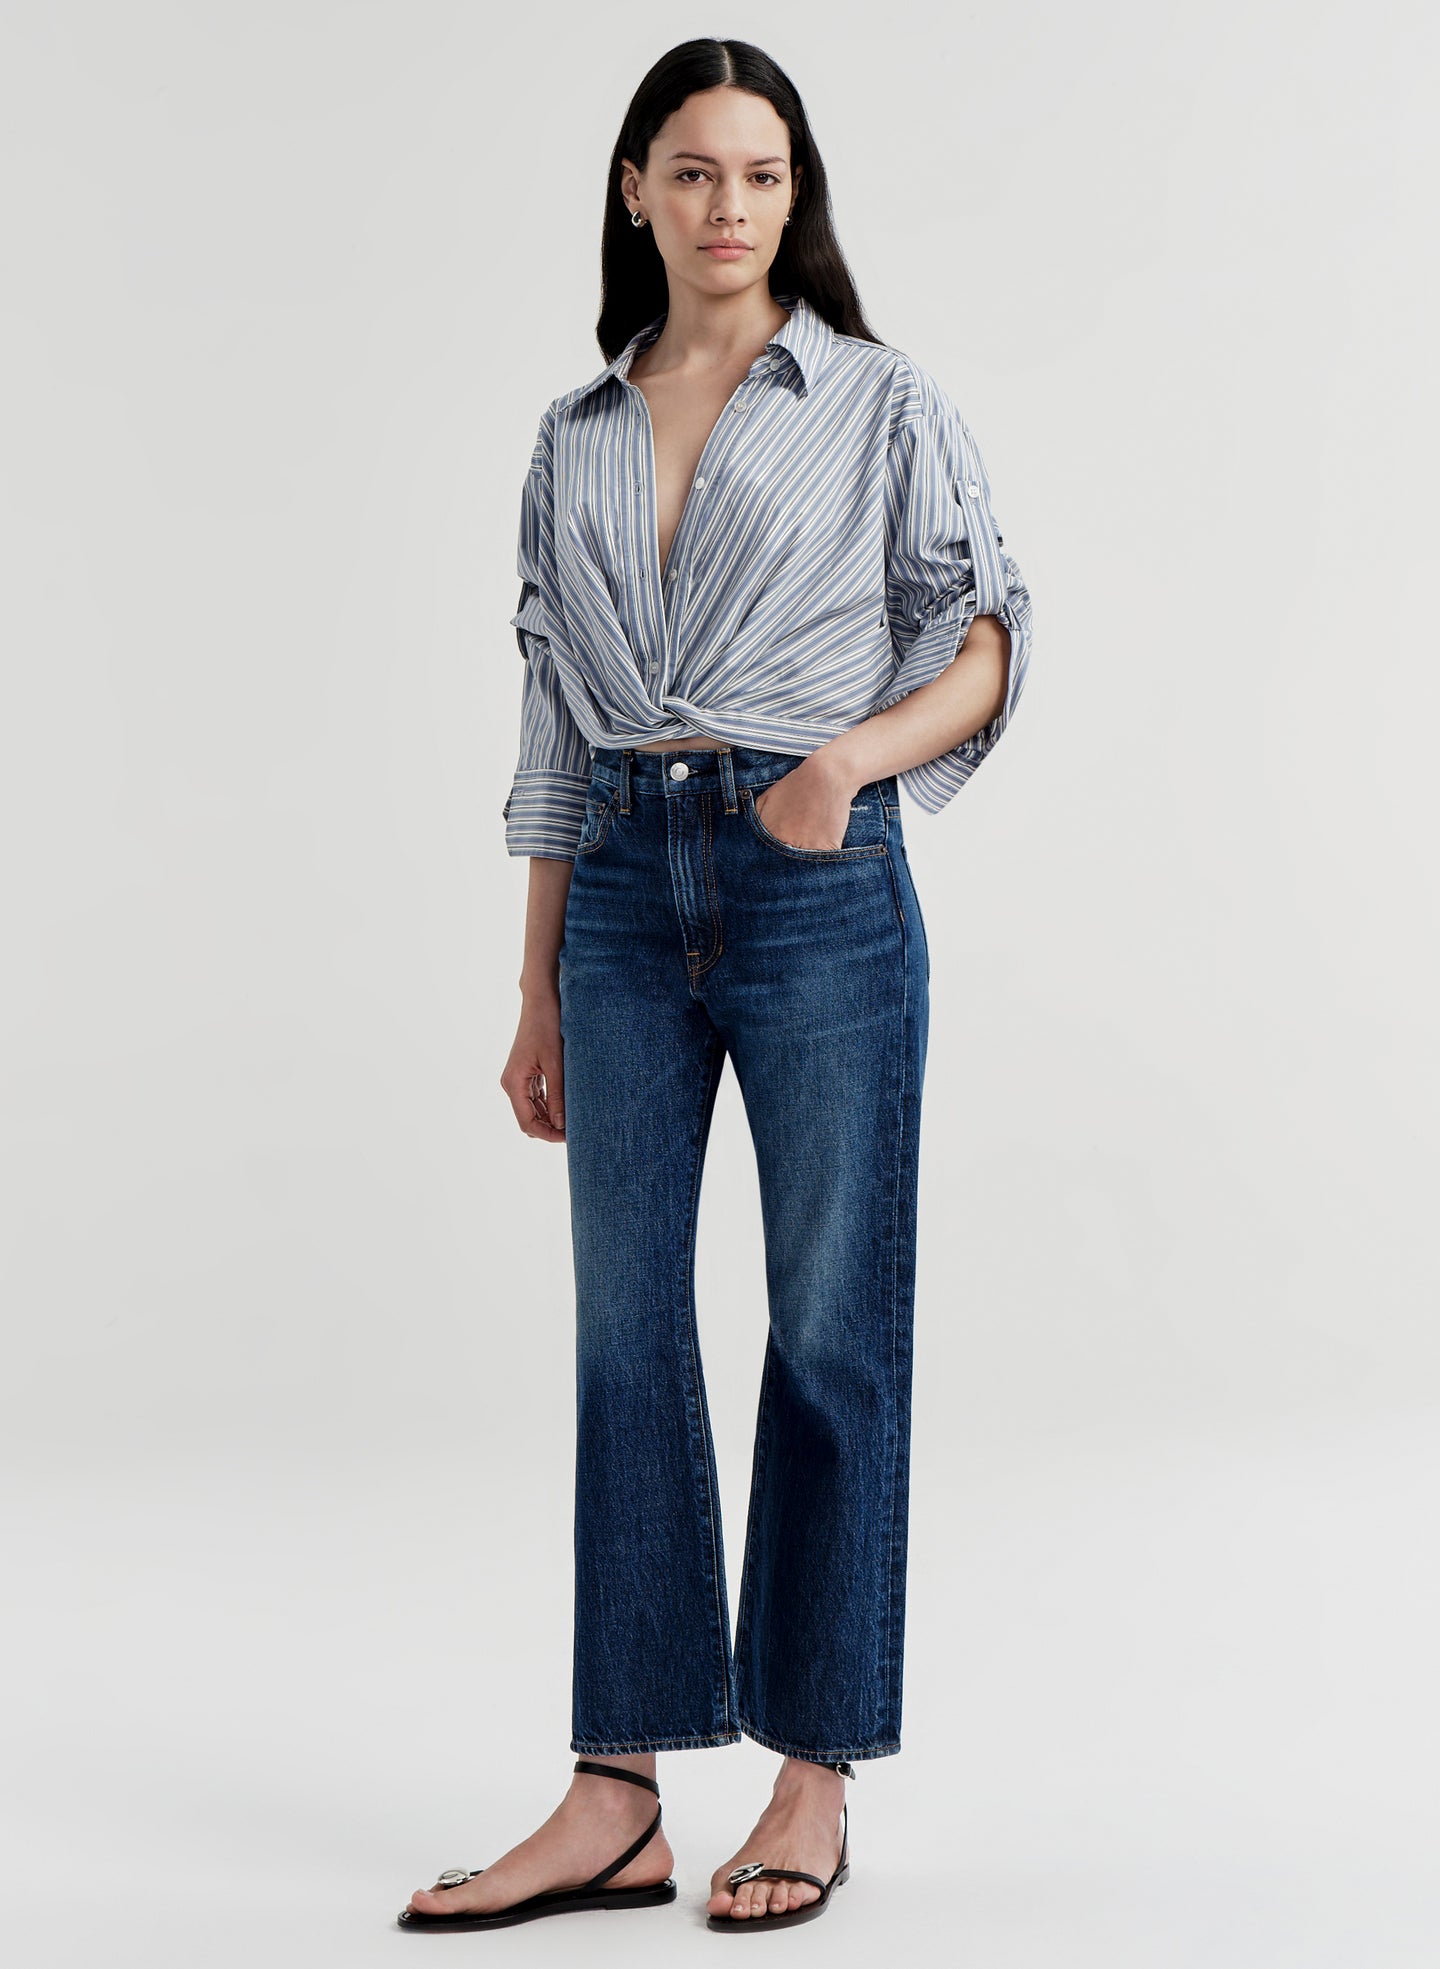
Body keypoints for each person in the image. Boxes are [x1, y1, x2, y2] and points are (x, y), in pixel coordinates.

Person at [398, 34, 1033, 1938]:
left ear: (795, 192)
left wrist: (847, 760)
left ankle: (815, 1772)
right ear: (635, 190)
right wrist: (532, 987)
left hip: (814, 876)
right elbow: (550, 722)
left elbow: (995, 630)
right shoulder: (572, 436)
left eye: (760, 175)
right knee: (624, 1335)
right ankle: (618, 1789)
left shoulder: (878, 398)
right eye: (692, 172)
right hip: (613, 893)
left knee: (834, 1326)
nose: (728, 208)